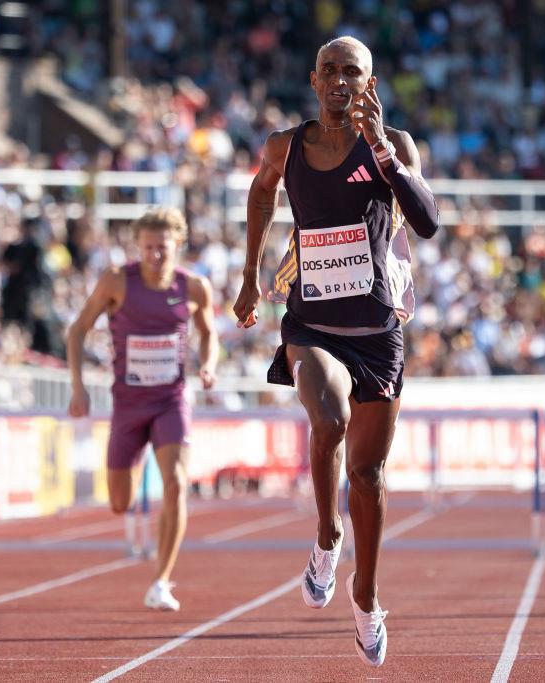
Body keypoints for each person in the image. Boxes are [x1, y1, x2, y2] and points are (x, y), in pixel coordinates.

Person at [233, 36, 439, 667]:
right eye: (330, 70)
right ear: (314, 80)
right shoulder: (285, 146)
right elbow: (262, 191)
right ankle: (327, 533)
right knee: (329, 420)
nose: (341, 81)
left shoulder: (393, 146)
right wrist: (249, 275)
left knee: (369, 475)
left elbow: (426, 222)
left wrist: (381, 149)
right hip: (312, 325)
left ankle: (366, 595)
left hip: (376, 332)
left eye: (354, 71)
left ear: (369, 84)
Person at [67, 208, 218, 611]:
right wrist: (78, 388)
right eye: (148, 247)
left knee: (176, 483)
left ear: (177, 245)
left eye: (162, 248)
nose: (155, 255)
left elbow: (209, 334)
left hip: (171, 401)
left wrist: (208, 364)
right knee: (120, 501)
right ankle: (133, 467)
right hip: (128, 406)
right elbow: (77, 329)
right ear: (139, 246)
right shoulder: (118, 281)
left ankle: (161, 581)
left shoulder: (194, 287)